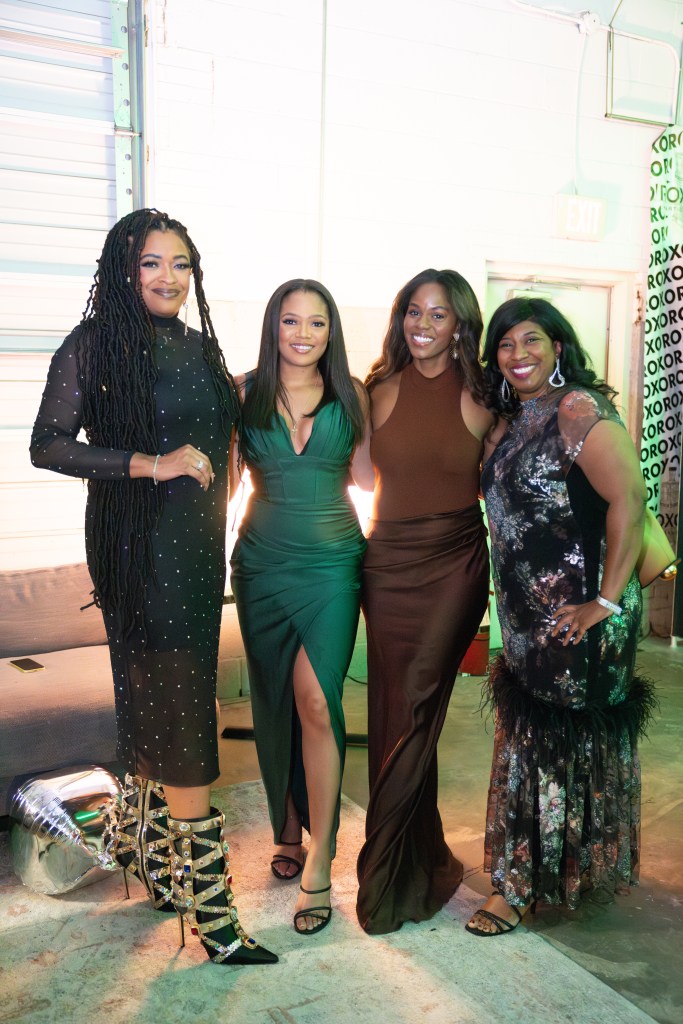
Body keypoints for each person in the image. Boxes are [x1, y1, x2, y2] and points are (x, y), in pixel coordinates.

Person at [30, 208, 277, 966]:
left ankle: (151, 858)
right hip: (139, 557)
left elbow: (220, 431)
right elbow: (48, 445)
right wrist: (149, 463)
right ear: (123, 270)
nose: (169, 278)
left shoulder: (200, 350)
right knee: (185, 715)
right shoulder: (92, 345)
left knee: (159, 703)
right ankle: (212, 911)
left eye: (180, 264)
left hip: (199, 556)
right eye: (150, 263)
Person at [466, 297, 655, 936]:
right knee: (532, 738)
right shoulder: (513, 418)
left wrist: (605, 601)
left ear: (557, 347)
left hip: (583, 614)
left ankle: (519, 886)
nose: (518, 354)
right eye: (505, 344)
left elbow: (629, 499)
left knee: (555, 742)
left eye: (532, 340)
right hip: (527, 616)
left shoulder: (576, 409)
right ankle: (556, 870)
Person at [355, 268, 496, 935]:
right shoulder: (376, 391)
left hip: (454, 566)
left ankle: (383, 865)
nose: (423, 325)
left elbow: (517, 476)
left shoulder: (486, 396)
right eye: (414, 311)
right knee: (393, 707)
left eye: (438, 314)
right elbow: (359, 476)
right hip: (386, 564)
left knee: (415, 702)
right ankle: (417, 854)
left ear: (460, 324)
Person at [230, 279, 372, 936]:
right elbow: (220, 482)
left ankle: (321, 855)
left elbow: (372, 477)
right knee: (273, 701)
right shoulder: (242, 393)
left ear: (330, 332)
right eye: (291, 321)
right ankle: (286, 828)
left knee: (317, 700)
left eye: (317, 323)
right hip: (261, 565)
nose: (304, 334)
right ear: (273, 327)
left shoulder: (354, 395)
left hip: (333, 566)